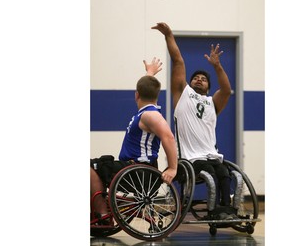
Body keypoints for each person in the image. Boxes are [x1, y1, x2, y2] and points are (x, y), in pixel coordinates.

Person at [151, 22, 235, 219]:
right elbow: (178, 61)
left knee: (224, 174)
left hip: (211, 155)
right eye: (195, 77)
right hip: (189, 158)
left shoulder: (212, 102)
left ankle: (226, 210)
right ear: (189, 82)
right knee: (211, 175)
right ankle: (214, 212)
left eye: (203, 79)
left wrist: (217, 66)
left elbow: (225, 90)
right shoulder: (183, 94)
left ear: (208, 86)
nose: (199, 79)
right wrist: (169, 35)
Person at [90, 58, 177, 219]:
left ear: (136, 95)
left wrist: (172, 167)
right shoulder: (146, 112)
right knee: (102, 163)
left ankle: (102, 214)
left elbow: (169, 137)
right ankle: (99, 208)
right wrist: (149, 73)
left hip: (138, 171)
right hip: (132, 168)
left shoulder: (150, 115)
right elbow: (146, 88)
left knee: (91, 167)